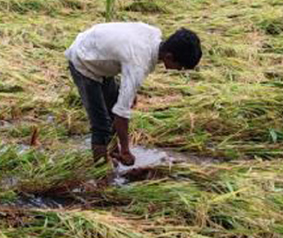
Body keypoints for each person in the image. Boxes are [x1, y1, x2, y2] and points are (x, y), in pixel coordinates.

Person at [66, 23, 202, 166]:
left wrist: (130, 92)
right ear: (169, 56)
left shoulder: (153, 34)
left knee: (112, 111)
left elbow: (127, 58)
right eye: (179, 66)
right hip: (84, 59)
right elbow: (122, 115)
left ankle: (113, 157)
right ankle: (101, 175)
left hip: (98, 50)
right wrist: (126, 150)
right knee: (101, 126)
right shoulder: (138, 62)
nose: (178, 70)